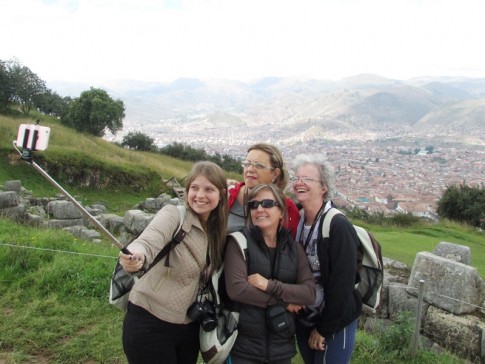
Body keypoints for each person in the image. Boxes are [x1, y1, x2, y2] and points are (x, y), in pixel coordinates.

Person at [119, 161, 228, 364]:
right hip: (150, 320)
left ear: (221, 193)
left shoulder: (217, 231)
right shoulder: (174, 215)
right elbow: (149, 239)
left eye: (209, 189)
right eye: (194, 188)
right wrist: (137, 255)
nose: (200, 195)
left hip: (188, 327)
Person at [224, 183, 316, 364]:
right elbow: (237, 289)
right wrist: (285, 302)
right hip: (244, 348)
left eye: (267, 203)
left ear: (282, 211)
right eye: (253, 205)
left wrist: (269, 285)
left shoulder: (294, 249)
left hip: (281, 348)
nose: (259, 209)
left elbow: (309, 293)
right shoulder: (239, 242)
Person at [291, 154, 362, 364]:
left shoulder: (338, 226)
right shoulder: (295, 218)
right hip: (305, 315)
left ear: (324, 187)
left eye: (307, 179)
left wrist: (324, 329)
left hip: (334, 319)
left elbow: (343, 283)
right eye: (297, 178)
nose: (299, 183)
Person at [227, 142, 300, 236]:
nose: (250, 169)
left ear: (275, 173)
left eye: (258, 165)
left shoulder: (287, 208)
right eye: (247, 164)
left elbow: (291, 244)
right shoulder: (227, 195)